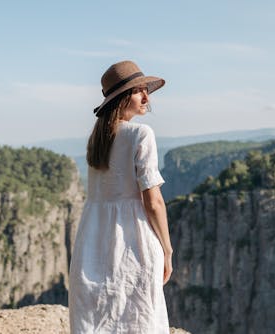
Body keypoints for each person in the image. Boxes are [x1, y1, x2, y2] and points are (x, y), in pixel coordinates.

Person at [69, 60, 173, 333]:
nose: (146, 97)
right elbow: (154, 201)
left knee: (101, 317)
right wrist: (168, 250)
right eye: (139, 90)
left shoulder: (97, 139)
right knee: (138, 316)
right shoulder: (141, 133)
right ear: (123, 96)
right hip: (132, 240)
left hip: (93, 239)